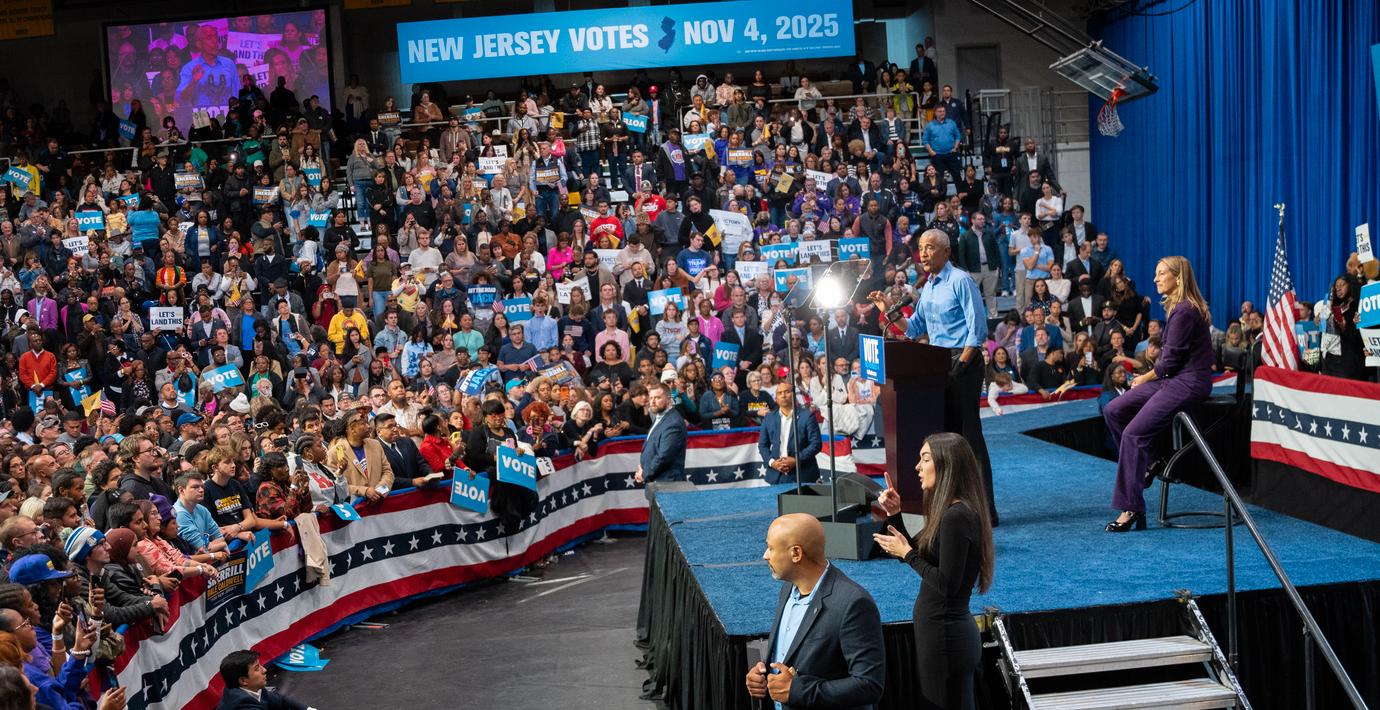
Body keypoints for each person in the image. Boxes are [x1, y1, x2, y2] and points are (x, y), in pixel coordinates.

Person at [878, 229, 997, 526]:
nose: (925, 253)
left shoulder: (961, 281)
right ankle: (955, 504)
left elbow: (977, 329)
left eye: (930, 247)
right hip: (935, 364)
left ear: (946, 252)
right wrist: (887, 312)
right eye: (921, 248)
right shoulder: (928, 285)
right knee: (947, 438)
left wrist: (960, 365)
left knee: (968, 437)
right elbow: (914, 329)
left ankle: (986, 511)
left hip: (962, 363)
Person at [873, 433, 995, 710]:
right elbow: (928, 558)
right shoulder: (952, 511)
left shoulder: (956, 516)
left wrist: (907, 554)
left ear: (947, 465)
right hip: (942, 635)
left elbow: (946, 583)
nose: (917, 466)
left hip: (947, 639)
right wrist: (895, 515)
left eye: (925, 459)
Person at [1102, 256, 1214, 532]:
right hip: (1173, 379)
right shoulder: (1177, 308)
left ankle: (1131, 508)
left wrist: (1143, 378)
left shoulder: (1185, 310)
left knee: (1133, 434)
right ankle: (1150, 462)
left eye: (1161, 273)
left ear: (1179, 278)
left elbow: (1168, 363)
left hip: (1187, 383)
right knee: (1113, 410)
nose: (1155, 279)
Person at [745, 513, 885, 709]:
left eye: (770, 548)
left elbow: (869, 685)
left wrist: (798, 691)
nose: (765, 555)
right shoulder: (788, 588)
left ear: (796, 554)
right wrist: (763, 677)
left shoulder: (853, 603)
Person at [757, 382, 822, 484]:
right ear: (776, 398)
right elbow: (762, 445)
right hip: (776, 476)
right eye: (780, 393)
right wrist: (772, 462)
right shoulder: (769, 418)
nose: (783, 395)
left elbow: (816, 444)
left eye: (787, 392)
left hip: (803, 474)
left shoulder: (807, 416)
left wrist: (796, 460)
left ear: (793, 395)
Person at [217, 649, 311, 710]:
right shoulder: (242, 704)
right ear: (243, 681)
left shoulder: (251, 688)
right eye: (257, 668)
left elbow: (281, 700)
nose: (264, 670)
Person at [634, 383, 686, 485]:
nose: (652, 402)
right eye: (651, 398)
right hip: (657, 482)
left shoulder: (673, 423)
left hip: (668, 484)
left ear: (668, 399)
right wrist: (643, 467)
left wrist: (645, 474)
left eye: (657, 398)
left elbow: (664, 456)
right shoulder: (660, 417)